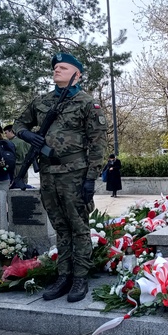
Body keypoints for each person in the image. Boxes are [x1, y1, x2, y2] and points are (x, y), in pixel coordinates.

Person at [14, 52, 107, 303]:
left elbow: (98, 144)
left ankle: (80, 277)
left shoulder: (87, 103)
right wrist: (27, 135)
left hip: (74, 174)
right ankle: (63, 275)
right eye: (55, 67)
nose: (57, 70)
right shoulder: (41, 102)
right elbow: (18, 124)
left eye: (63, 67)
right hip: (48, 174)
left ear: (78, 74)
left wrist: (91, 178)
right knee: (60, 228)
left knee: (79, 227)